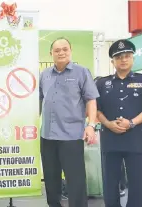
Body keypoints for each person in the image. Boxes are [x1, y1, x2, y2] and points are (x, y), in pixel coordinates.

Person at [39, 37, 99, 207]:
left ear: (70, 51)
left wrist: (91, 125)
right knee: (51, 179)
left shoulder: (81, 72)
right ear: (51, 53)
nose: (61, 53)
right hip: (48, 136)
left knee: (76, 180)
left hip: (71, 136)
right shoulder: (44, 75)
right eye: (57, 50)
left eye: (65, 49)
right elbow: (38, 101)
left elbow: (91, 100)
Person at [96, 39, 142, 207]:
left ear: (133, 58)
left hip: (136, 140)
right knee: (110, 181)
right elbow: (96, 109)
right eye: (119, 57)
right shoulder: (101, 83)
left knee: (138, 182)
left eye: (127, 56)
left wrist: (131, 123)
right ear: (112, 61)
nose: (123, 59)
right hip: (110, 139)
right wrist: (108, 124)